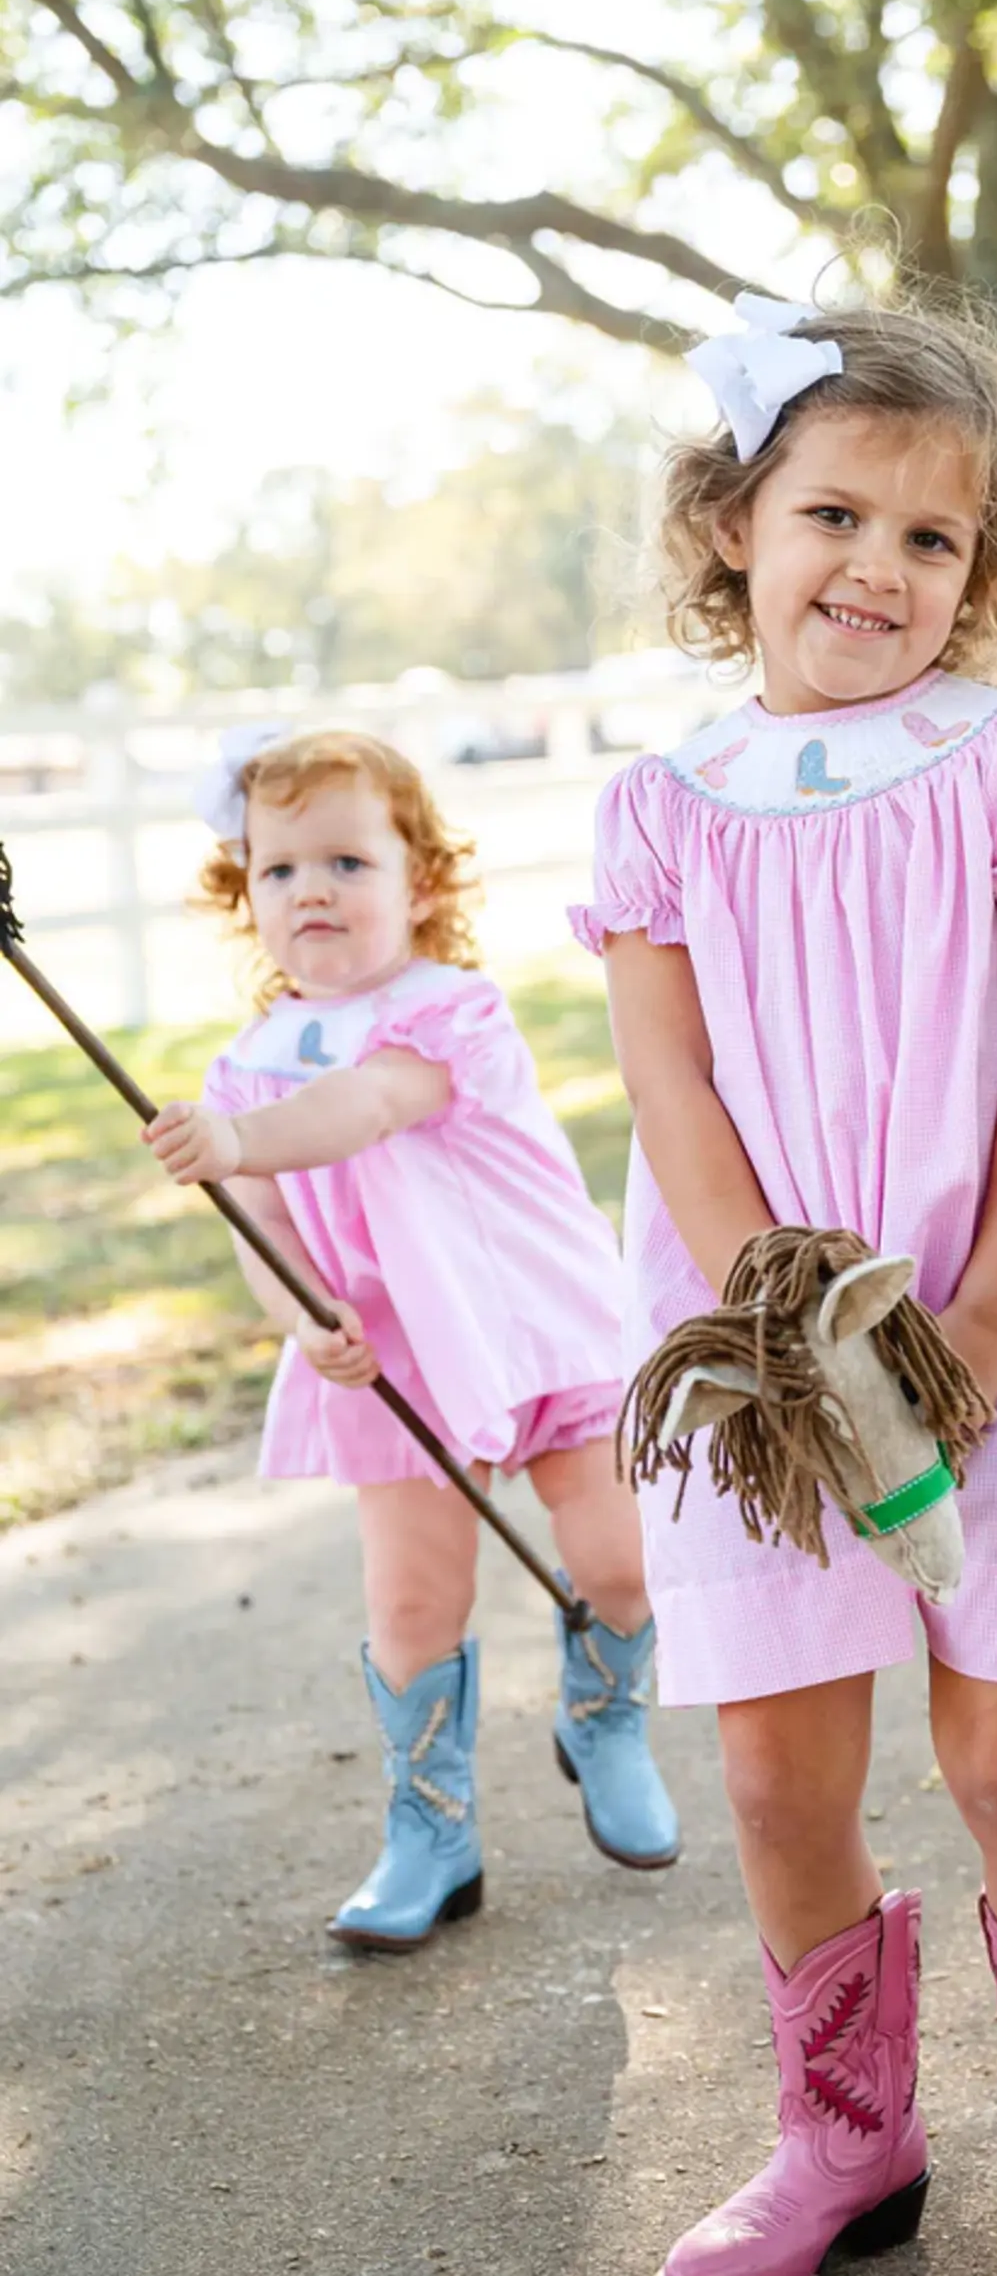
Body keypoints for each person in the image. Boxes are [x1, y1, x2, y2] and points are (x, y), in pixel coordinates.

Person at [572, 290, 997, 2276]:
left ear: (979, 574)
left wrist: (987, 1321)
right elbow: (665, 1073)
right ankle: (845, 2138)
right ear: (731, 527)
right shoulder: (659, 806)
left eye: (932, 539)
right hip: (761, 1349)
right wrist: (777, 1333)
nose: (879, 566)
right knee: (771, 1768)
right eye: (835, 513)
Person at [144, 726, 679, 1951]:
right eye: (277, 871)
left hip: (534, 1319)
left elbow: (366, 1107)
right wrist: (299, 1314)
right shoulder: (244, 1068)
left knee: (616, 1558)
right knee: (413, 1601)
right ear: (246, 893)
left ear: (420, 882)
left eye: (345, 861)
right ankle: (430, 1831)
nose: (310, 891)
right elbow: (262, 1223)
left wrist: (236, 1141)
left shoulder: (453, 1012)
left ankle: (604, 1718)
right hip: (391, 1355)